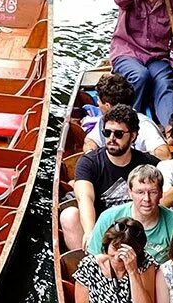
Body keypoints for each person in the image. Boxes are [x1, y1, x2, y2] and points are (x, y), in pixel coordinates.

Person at [59, 103, 158, 249]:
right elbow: (85, 197)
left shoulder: (148, 163)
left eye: (118, 134)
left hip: (136, 229)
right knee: (69, 216)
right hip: (101, 227)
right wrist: (89, 231)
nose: (111, 138)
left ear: (133, 136)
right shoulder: (89, 162)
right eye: (107, 133)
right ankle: (86, 263)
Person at [87, 164, 173, 263]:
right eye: (140, 192)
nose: (146, 199)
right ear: (130, 192)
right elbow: (93, 258)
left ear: (161, 193)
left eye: (153, 192)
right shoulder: (108, 217)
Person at [82, 71, 168, 156]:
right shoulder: (104, 121)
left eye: (99, 101)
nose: (97, 104)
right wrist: (91, 155)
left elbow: (164, 154)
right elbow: (90, 140)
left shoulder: (144, 125)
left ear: (107, 106)